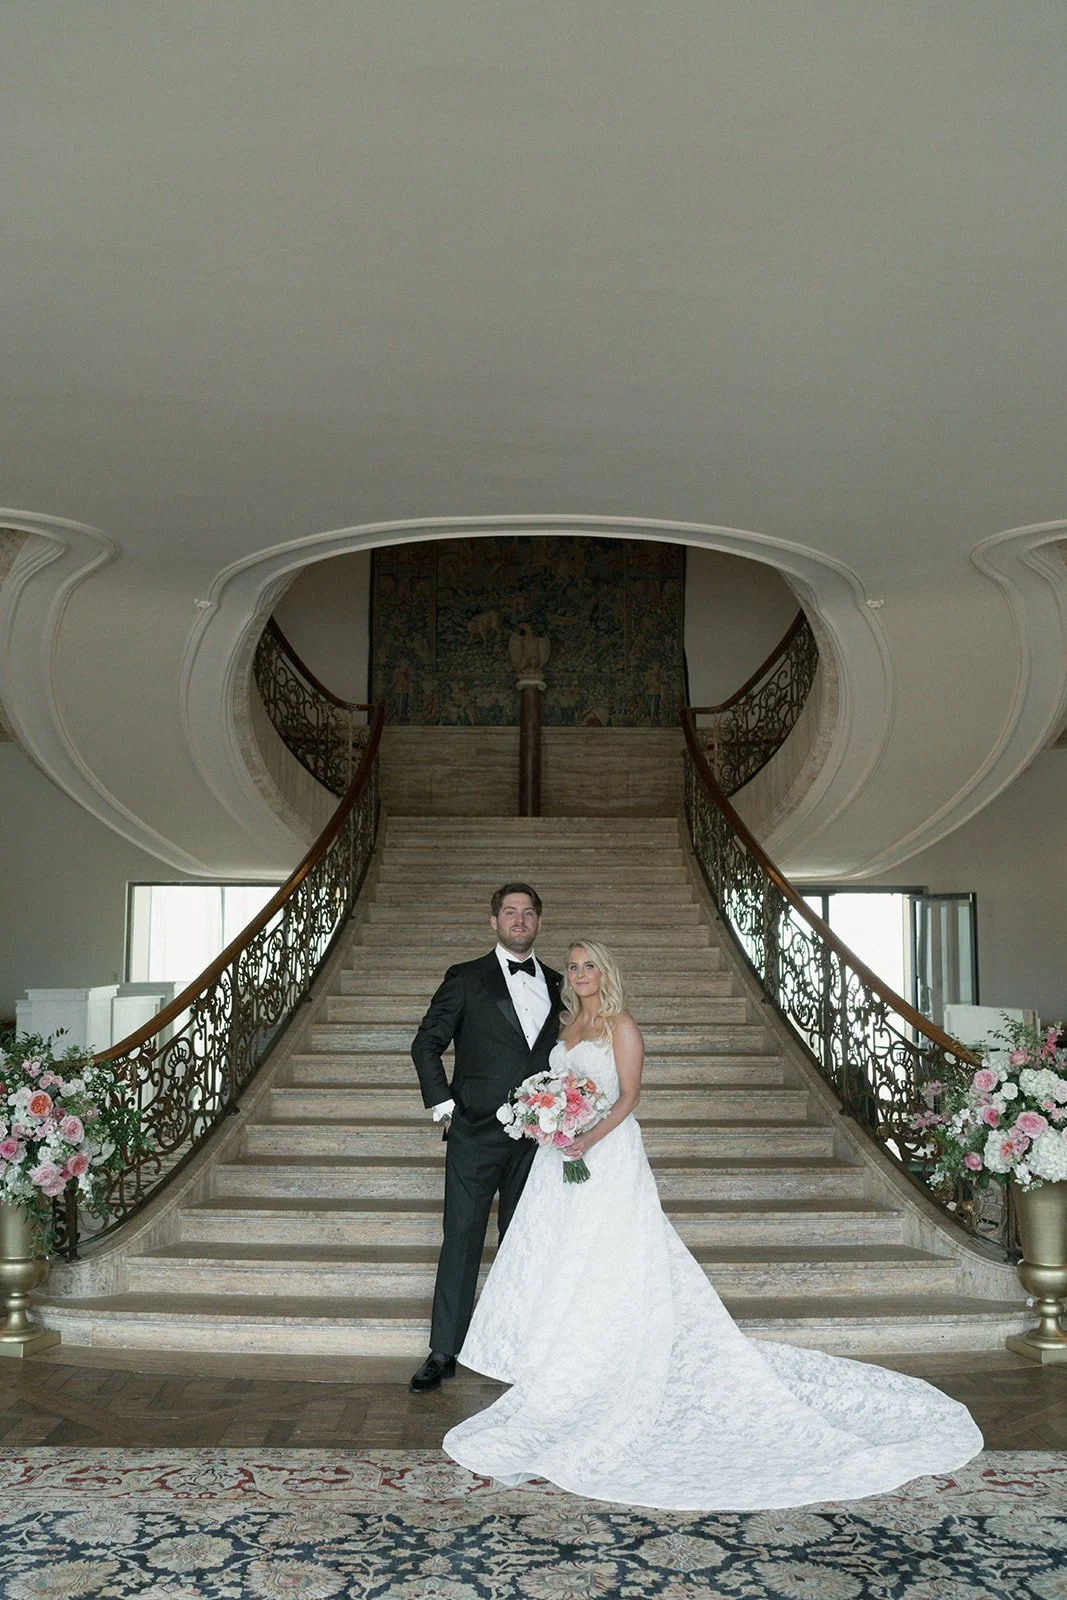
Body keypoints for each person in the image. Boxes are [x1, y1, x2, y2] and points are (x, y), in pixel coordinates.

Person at [442, 940, 984, 1510]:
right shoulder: (566, 1026)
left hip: (605, 1153)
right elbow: (556, 1089)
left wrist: (586, 1138)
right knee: (563, 1256)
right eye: (573, 967)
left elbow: (629, 1097)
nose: (579, 975)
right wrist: (548, 1119)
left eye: (589, 965)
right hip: (562, 1160)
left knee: (611, 1255)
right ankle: (560, 1363)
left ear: (606, 970)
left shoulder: (621, 1024)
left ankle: (612, 1359)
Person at [408, 883, 564, 1393]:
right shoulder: (466, 978)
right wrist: (445, 1107)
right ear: (493, 922)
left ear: (538, 922)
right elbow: (427, 1043)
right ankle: (443, 1351)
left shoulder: (562, 984)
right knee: (463, 1239)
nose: (519, 920)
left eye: (527, 913)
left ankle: (517, 1347)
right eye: (509, 912)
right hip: (475, 1132)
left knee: (525, 1245)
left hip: (538, 1140)